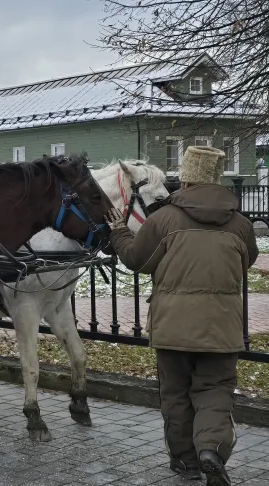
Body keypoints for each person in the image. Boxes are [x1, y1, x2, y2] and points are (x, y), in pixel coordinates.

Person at [105, 145, 258, 486]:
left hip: (173, 327)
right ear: (217, 180)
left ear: (185, 181)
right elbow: (246, 263)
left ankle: (185, 462)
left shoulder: (164, 219)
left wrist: (119, 232)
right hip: (221, 327)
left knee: (175, 393)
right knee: (215, 389)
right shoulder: (241, 225)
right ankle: (211, 450)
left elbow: (138, 261)